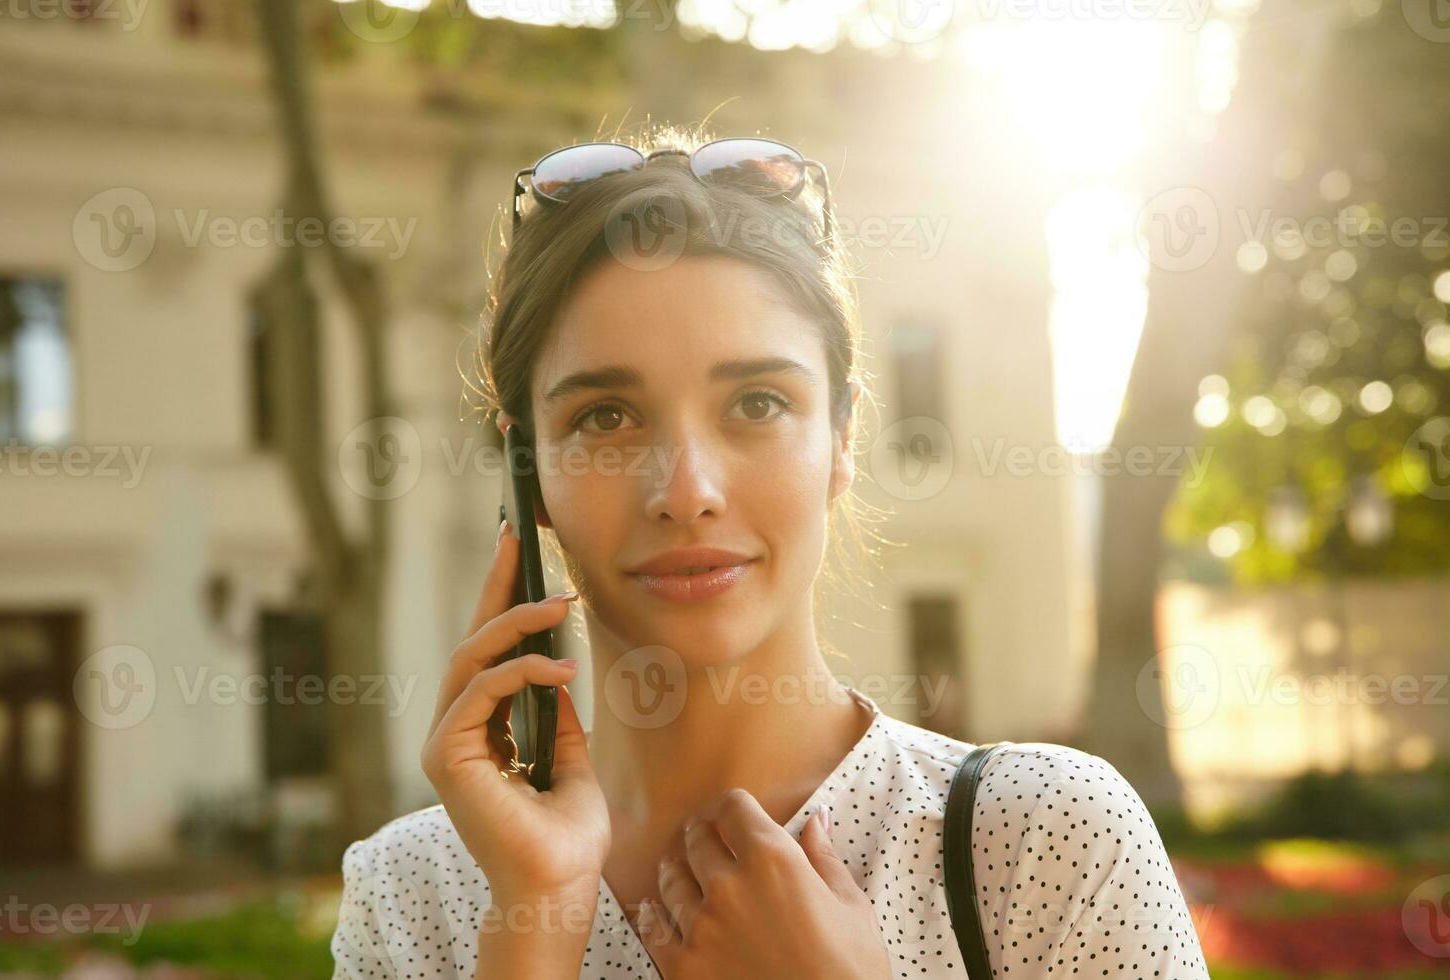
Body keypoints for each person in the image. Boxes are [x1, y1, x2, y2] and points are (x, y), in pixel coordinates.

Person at [330, 124, 1209, 979]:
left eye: (756, 403)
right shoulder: (413, 895)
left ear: (842, 436)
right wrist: (538, 923)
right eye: (605, 416)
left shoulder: (1045, 840)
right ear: (530, 471)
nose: (687, 491)